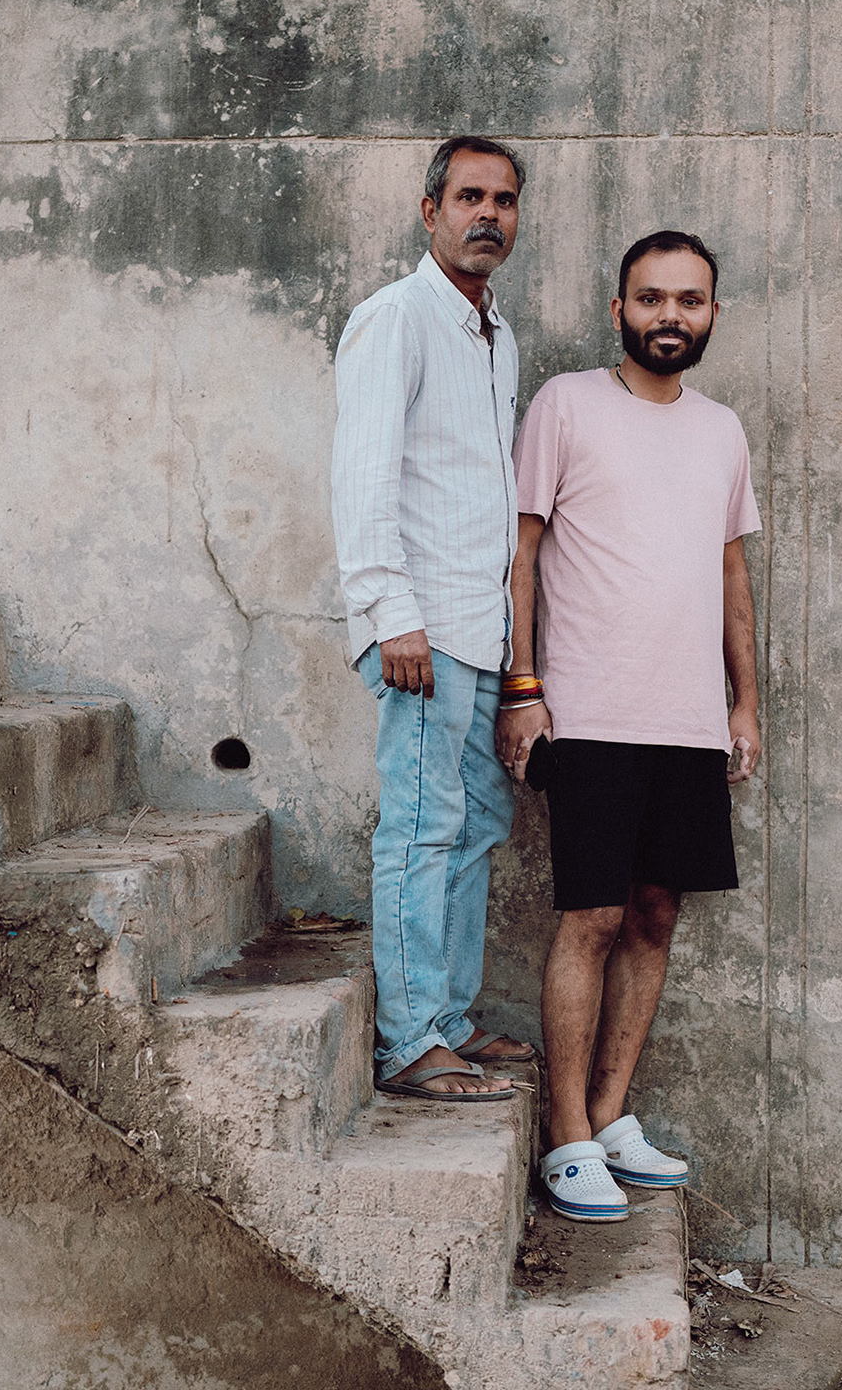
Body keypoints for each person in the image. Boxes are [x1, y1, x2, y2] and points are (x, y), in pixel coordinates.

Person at [498, 231, 761, 1220]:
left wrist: (744, 700)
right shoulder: (567, 405)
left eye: (689, 301)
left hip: (688, 721)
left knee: (655, 916)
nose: (669, 317)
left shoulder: (722, 430)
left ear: (711, 315)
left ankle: (609, 1119)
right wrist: (521, 686)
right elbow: (520, 554)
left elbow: (730, 570)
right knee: (594, 918)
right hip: (592, 712)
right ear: (619, 310)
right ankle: (565, 1136)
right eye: (651, 299)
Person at [331, 136, 539, 1103]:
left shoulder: (496, 334)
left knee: (473, 822)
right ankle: (410, 1040)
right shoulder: (397, 319)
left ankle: (448, 1019)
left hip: (480, 630)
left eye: (501, 200)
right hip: (423, 631)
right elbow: (362, 476)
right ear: (430, 210)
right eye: (467, 197)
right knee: (419, 828)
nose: (485, 214)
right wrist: (390, 613)